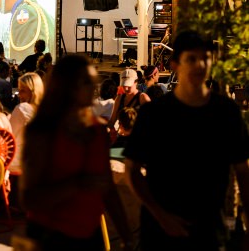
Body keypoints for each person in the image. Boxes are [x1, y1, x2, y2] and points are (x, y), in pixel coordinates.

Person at [124, 31, 249, 250]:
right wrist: (161, 215)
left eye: (205, 58)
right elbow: (132, 170)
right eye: (192, 59)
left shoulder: (226, 113)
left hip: (208, 229)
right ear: (174, 64)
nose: (200, 65)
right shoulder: (154, 114)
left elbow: (243, 172)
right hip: (160, 232)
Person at [20, 55, 133, 250]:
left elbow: (107, 187)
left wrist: (128, 237)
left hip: (88, 232)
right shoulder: (43, 131)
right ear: (66, 86)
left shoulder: (96, 129)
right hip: (50, 235)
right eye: (85, 82)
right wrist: (76, 184)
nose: (92, 87)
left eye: (92, 81)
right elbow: (30, 198)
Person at [9, 72, 44, 174]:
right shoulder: (47, 110)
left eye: (22, 91)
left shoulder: (22, 109)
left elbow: (10, 138)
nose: (19, 95)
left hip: (17, 166)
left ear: (33, 91)